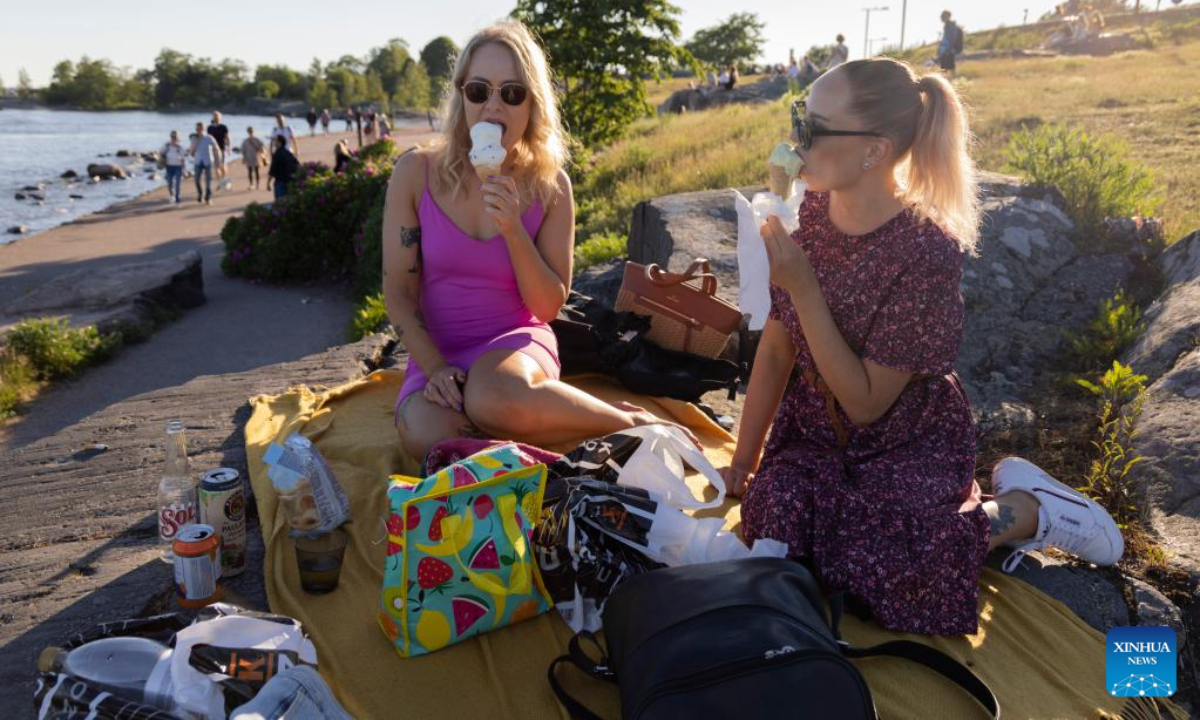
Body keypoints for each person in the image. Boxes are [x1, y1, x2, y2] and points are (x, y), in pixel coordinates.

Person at [726, 58, 1125, 636]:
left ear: (873, 152)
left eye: (812, 128)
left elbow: (867, 403)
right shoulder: (805, 213)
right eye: (797, 121)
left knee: (896, 563)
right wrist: (745, 459)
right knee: (774, 525)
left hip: (904, 436)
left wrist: (804, 286)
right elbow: (777, 350)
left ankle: (1028, 510)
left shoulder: (926, 253)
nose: (795, 142)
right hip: (817, 425)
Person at [383, 20, 696, 461]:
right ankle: (538, 426)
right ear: (460, 96)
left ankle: (628, 422)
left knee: (491, 400)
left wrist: (513, 229)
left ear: (532, 102)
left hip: (513, 345)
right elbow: (397, 290)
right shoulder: (415, 174)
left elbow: (547, 306)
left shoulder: (550, 186)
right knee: (422, 435)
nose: (493, 106)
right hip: (439, 352)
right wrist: (434, 368)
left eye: (511, 93)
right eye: (479, 91)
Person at [189, 122, 220, 204]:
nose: (198, 130)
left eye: (200, 128)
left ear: (203, 129)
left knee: (208, 180)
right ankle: (200, 194)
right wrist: (191, 152)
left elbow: (216, 148)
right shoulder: (194, 138)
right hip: (198, 161)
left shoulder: (209, 137)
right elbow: (191, 150)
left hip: (208, 161)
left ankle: (208, 198)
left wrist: (218, 161)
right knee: (196, 180)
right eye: (197, 129)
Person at [267, 134, 299, 201]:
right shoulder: (288, 153)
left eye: (275, 141)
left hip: (280, 182)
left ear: (279, 142)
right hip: (290, 181)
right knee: (288, 203)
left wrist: (268, 182)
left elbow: (272, 169)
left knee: (280, 204)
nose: (274, 143)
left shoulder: (277, 154)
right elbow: (297, 165)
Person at [207, 111, 232, 190]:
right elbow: (208, 138)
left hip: (222, 149)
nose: (216, 117)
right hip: (213, 150)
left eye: (217, 116)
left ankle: (224, 180)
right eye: (214, 116)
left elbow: (228, 137)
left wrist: (229, 147)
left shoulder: (223, 127)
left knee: (222, 166)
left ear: (220, 118)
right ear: (213, 117)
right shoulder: (210, 128)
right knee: (216, 167)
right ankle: (220, 183)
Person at [161, 130, 187, 204]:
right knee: (169, 183)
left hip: (178, 166)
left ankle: (178, 199)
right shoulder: (167, 145)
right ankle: (171, 195)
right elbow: (161, 153)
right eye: (172, 137)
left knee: (178, 183)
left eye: (175, 137)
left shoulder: (180, 147)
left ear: (177, 138)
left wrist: (185, 169)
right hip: (169, 166)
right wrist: (163, 160)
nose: (174, 138)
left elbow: (184, 158)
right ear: (170, 137)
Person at [938, 11, 962, 77]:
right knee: (949, 66)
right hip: (948, 50)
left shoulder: (950, 25)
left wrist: (948, 49)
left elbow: (951, 38)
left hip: (948, 50)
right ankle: (950, 80)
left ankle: (944, 81)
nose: (941, 18)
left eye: (942, 16)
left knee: (945, 66)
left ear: (947, 16)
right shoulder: (948, 25)